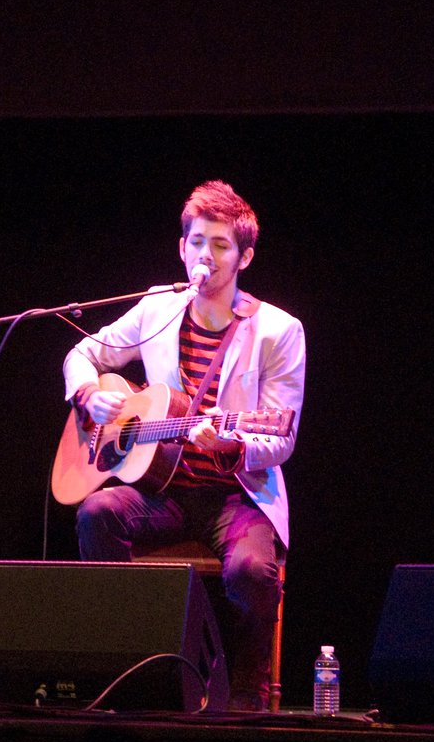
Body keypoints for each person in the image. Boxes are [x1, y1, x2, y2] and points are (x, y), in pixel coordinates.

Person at [64, 180, 305, 712]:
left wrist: (231, 443)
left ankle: (245, 698)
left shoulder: (278, 331)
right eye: (198, 242)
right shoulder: (157, 308)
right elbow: (85, 353)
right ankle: (135, 669)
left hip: (236, 496)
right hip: (162, 491)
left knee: (250, 573)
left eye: (221, 245)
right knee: (96, 513)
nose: (206, 256)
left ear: (245, 256)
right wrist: (88, 396)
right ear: (182, 248)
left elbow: (281, 437)